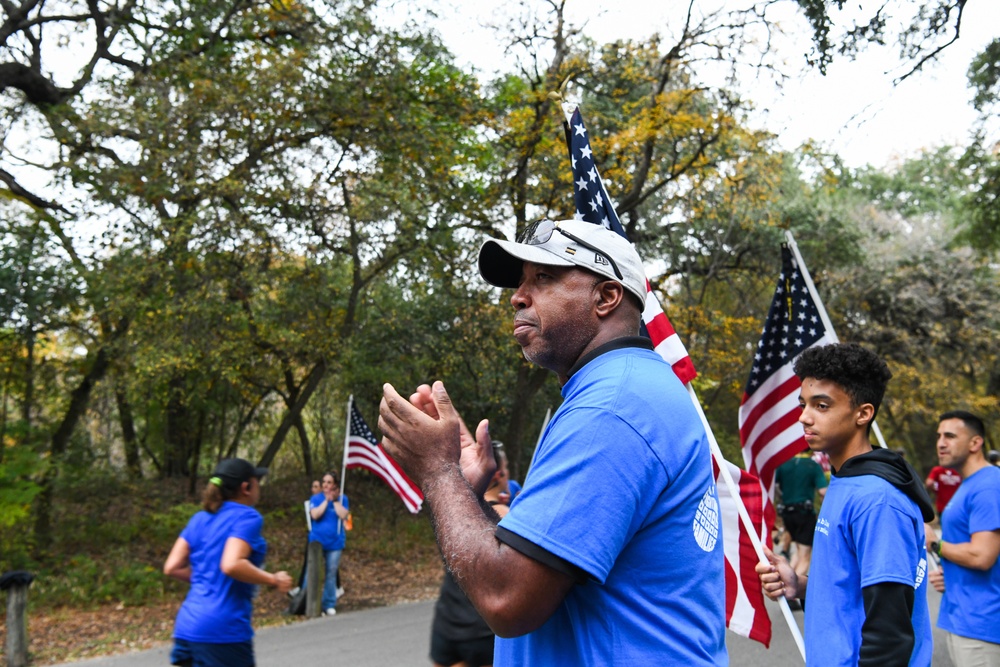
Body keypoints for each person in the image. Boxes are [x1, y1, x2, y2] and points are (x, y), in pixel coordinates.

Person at [379, 219, 727, 666]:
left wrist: (438, 471)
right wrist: (470, 491)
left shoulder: (610, 410)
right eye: (521, 282)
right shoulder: (625, 389)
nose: (517, 296)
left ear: (605, 297)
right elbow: (529, 561)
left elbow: (507, 598)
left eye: (543, 278)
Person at [756, 343, 934, 666]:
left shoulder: (877, 501)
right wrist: (799, 585)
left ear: (863, 413)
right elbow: (849, 588)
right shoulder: (844, 480)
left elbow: (889, 635)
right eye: (803, 404)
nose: (804, 417)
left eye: (821, 406)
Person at [163, 458, 293, 667]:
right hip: (223, 630)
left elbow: (171, 567)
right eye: (256, 481)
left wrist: (206, 576)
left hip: (187, 627)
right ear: (246, 488)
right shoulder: (248, 517)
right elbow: (231, 564)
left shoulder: (200, 518)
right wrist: (273, 579)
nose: (259, 486)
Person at [928, 411, 1000, 665]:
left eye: (950, 436)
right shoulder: (969, 484)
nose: (941, 443)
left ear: (975, 443)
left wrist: (935, 544)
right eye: (938, 436)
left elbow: (982, 556)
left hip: (982, 625)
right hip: (963, 618)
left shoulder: (989, 485)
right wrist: (951, 574)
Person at [430, 443, 511, 667]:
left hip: (447, 621)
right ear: (498, 472)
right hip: (482, 629)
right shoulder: (507, 517)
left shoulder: (452, 511)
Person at [774, 447, 828, 579]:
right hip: (804, 513)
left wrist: (782, 498)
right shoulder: (812, 465)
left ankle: (787, 579)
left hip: (787, 513)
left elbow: (774, 486)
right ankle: (792, 589)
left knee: (798, 551)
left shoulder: (784, 465)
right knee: (805, 556)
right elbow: (823, 492)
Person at [307, 471, 350, 616]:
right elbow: (315, 515)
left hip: (335, 542)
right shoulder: (316, 498)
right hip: (317, 542)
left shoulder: (343, 499)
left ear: (335, 484)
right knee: (312, 573)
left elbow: (344, 515)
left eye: (329, 482)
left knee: (331, 573)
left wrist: (335, 500)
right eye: (324, 482)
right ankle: (309, 602)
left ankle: (329, 603)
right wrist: (326, 500)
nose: (325, 485)